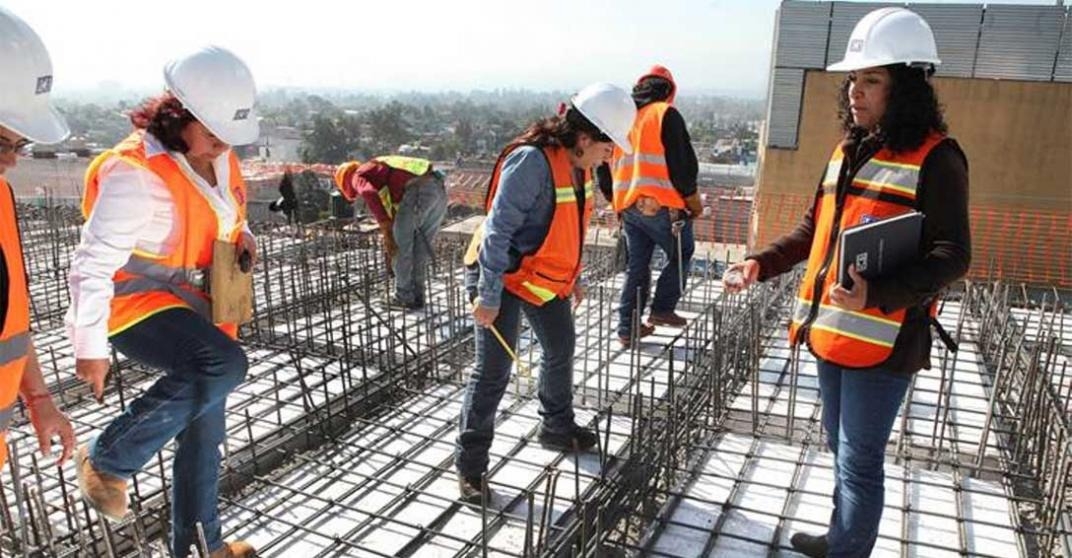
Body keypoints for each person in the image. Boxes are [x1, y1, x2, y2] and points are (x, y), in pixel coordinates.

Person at [724, 8, 970, 558]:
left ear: (906, 86)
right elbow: (814, 230)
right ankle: (841, 538)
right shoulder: (848, 150)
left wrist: (877, 296)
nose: (856, 91)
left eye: (872, 80)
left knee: (859, 460)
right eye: (853, 79)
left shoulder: (938, 159)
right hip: (830, 333)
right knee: (840, 449)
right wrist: (759, 263)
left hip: (885, 344)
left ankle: (848, 549)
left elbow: (953, 256)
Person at [66, 45, 260, 558]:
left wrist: (243, 234)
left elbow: (224, 211)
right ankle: (108, 457)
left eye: (229, 139)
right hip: (136, 305)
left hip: (198, 304)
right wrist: (88, 346)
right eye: (214, 136)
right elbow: (91, 264)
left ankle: (200, 550)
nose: (222, 148)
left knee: (203, 434)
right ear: (179, 118)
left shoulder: (218, 156)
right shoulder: (136, 173)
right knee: (221, 365)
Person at [456, 83, 636, 503]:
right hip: (497, 272)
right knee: (494, 370)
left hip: (539, 276)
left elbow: (567, 225)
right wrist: (487, 295)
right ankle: (470, 467)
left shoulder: (579, 165)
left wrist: (572, 277)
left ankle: (556, 426)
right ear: (586, 138)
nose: (612, 155)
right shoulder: (531, 162)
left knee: (560, 345)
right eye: (609, 146)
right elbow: (497, 233)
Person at [0, 5, 77, 473]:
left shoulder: (2, 199)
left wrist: (40, 398)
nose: (11, 161)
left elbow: (11, 322)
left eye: (18, 145)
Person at [598, 65, 702, 347]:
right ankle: (662, 308)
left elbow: (603, 167)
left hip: (629, 209)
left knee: (637, 266)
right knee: (682, 253)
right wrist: (692, 201)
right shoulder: (664, 114)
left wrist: (616, 201)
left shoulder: (621, 120)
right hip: (663, 207)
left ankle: (627, 329)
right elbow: (683, 165)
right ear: (668, 92)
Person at [334, 156, 448, 309]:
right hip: (438, 190)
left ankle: (403, 296)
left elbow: (369, 193)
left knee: (399, 247)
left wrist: (385, 225)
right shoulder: (378, 170)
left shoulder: (357, 175)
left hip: (418, 192)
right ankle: (417, 295)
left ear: (345, 182)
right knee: (420, 249)